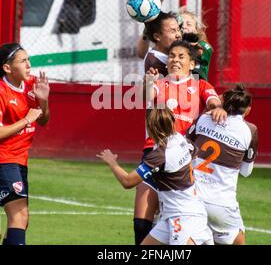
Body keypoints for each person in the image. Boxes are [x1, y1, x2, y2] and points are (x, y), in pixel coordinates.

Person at [133, 40, 227, 245]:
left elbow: (213, 100)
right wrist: (148, 82)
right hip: (154, 152)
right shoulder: (159, 83)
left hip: (184, 160)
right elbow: (146, 98)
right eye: (172, 56)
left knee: (184, 219)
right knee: (141, 223)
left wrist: (217, 107)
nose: (175, 59)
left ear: (192, 64)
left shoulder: (200, 85)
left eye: (181, 56)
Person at [97, 107, 213, 245]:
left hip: (183, 217)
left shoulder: (160, 155)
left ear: (151, 128)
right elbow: (194, 153)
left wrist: (112, 162)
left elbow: (127, 181)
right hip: (180, 211)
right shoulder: (181, 140)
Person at [0, 43, 50, 245]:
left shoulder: (32, 84)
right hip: (1, 161)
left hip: (19, 160)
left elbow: (44, 120)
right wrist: (26, 120)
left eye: (28, 59)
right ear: (7, 68)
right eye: (22, 61)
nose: (29, 64)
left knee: (22, 220)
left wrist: (44, 102)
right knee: (19, 217)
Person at [187, 84, 258, 245]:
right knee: (238, 240)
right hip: (222, 203)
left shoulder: (204, 118)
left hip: (192, 196)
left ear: (223, 102)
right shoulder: (250, 130)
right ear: (247, 111)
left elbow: (186, 147)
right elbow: (246, 171)